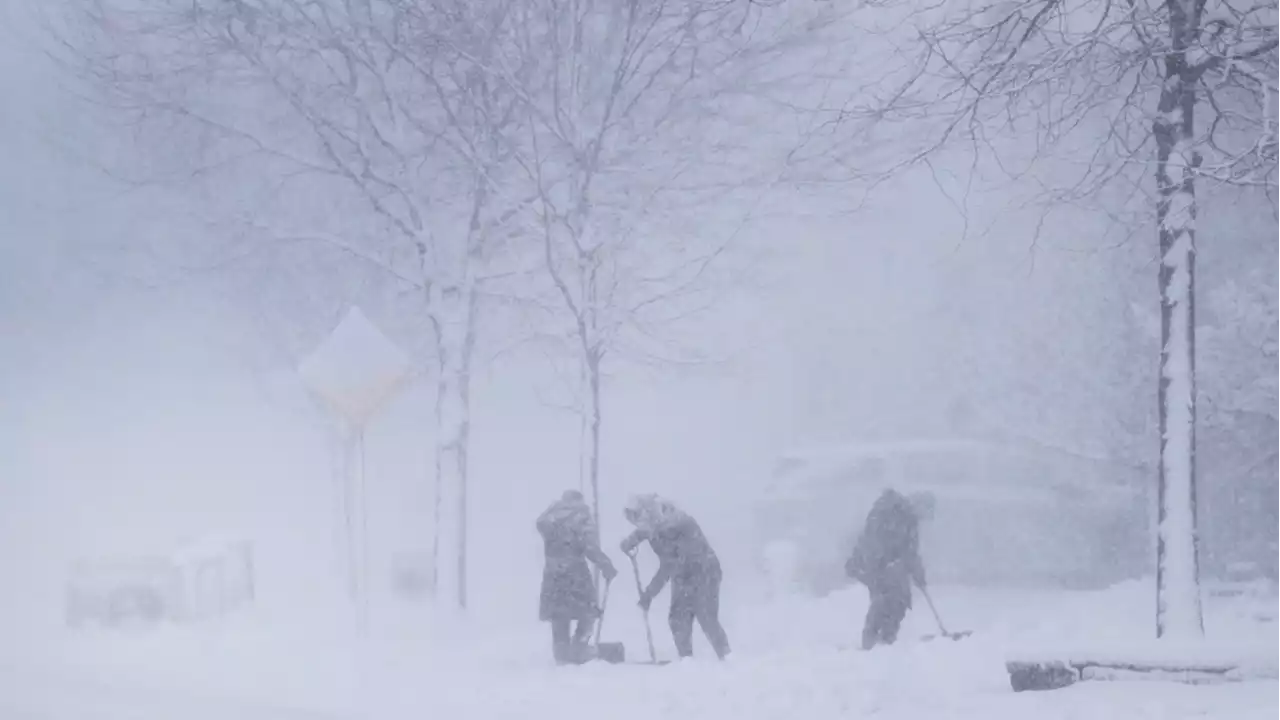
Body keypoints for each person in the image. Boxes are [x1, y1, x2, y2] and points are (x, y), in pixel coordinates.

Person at [620, 493, 731, 660]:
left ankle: (727, 657)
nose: (637, 522)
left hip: (704, 571)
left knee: (706, 616)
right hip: (683, 574)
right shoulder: (655, 523)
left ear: (647, 511)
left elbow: (668, 566)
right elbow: (647, 531)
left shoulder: (676, 524)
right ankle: (687, 661)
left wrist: (649, 595)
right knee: (678, 619)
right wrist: (630, 541)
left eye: (637, 517)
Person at [844, 488, 934, 650]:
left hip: (886, 566)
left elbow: (911, 552)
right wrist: (886, 564)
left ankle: (886, 638)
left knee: (899, 600)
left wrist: (918, 575)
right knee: (885, 599)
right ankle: (872, 640)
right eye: (923, 512)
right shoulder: (890, 511)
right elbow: (874, 540)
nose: (922, 517)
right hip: (872, 563)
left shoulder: (909, 521)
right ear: (918, 504)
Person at [536, 490, 617, 665]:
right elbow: (589, 547)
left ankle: (561, 654)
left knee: (559, 615)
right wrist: (606, 565)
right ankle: (579, 649)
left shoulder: (550, 516)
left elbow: (541, 526)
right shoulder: (581, 516)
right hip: (575, 573)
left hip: (552, 574)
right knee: (588, 612)